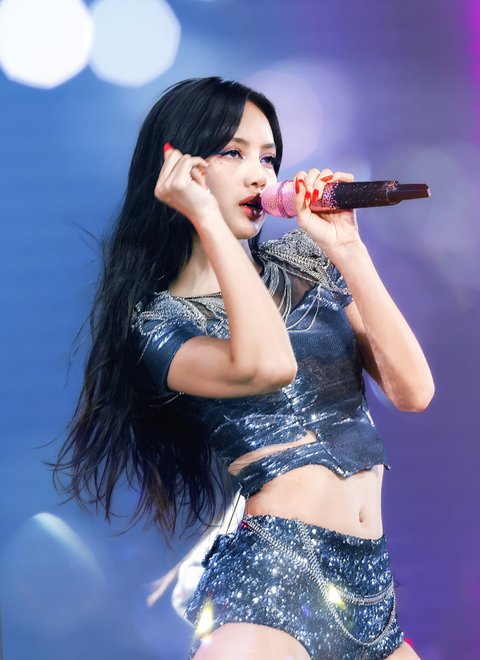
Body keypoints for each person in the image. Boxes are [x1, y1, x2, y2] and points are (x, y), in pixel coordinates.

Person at [52, 76, 434, 659]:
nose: (260, 175)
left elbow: (413, 391)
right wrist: (208, 221)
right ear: (180, 170)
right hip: (272, 585)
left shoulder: (305, 261)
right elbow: (269, 364)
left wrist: (347, 249)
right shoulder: (161, 327)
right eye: (234, 153)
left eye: (268, 157)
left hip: (369, 589)